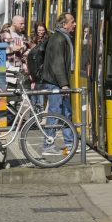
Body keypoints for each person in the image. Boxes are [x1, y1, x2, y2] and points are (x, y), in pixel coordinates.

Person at [39, 13, 77, 154]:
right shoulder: (58, 39)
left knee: (66, 112)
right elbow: (57, 64)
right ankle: (48, 145)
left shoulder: (62, 37)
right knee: (55, 113)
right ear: (63, 24)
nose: (74, 24)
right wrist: (64, 84)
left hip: (59, 82)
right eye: (72, 22)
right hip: (55, 83)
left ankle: (70, 143)